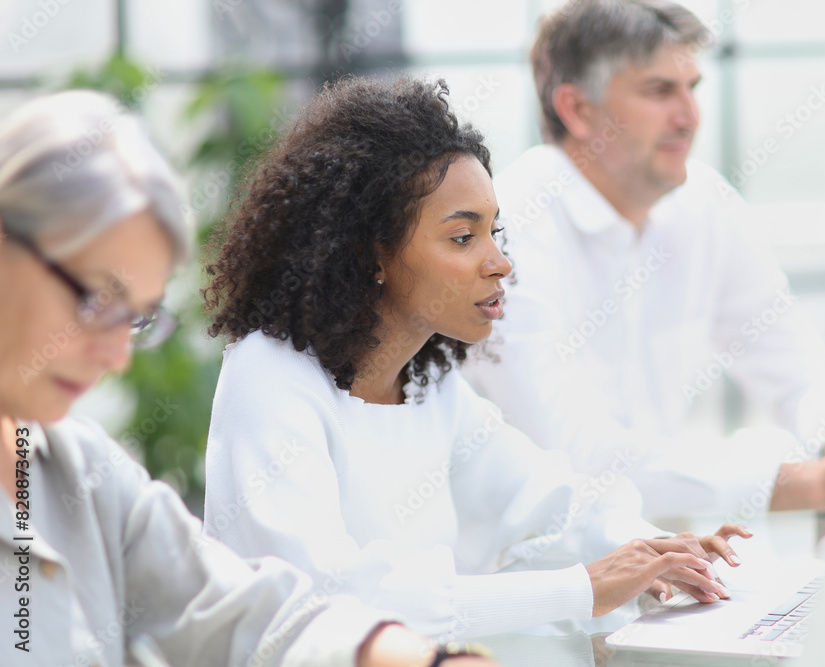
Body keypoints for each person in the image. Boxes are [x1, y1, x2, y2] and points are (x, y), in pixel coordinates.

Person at [201, 74, 751, 642]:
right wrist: (584, 587)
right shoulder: (268, 377)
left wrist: (653, 551)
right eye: (463, 238)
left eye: (495, 231)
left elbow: (544, 499)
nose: (501, 263)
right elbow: (328, 597)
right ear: (372, 253)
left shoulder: (426, 382)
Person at [0, 90, 495, 667]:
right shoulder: (271, 374)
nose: (116, 356)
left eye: (135, 317)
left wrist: (432, 660)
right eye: (95, 299)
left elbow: (245, 613)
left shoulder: (79, 473)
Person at [462, 0, 825, 518]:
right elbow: (574, 454)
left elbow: (793, 363)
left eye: (692, 89)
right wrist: (816, 484)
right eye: (659, 91)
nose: (690, 117)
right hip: (529, 570)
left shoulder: (703, 204)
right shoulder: (507, 228)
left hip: (656, 559)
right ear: (578, 110)